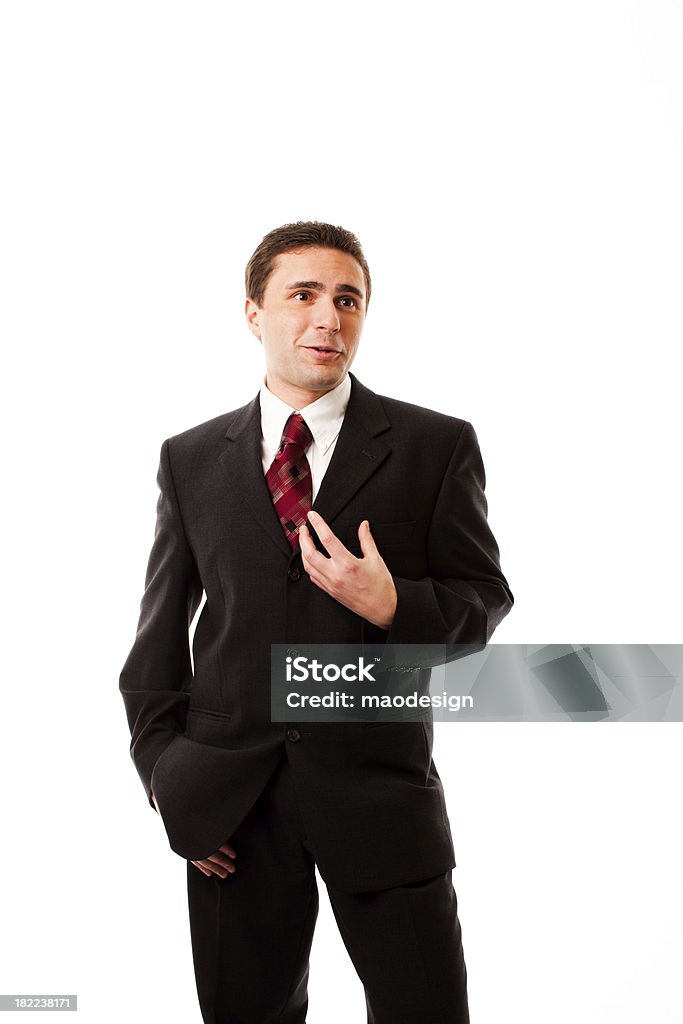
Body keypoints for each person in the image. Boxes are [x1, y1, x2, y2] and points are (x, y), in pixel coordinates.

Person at [119, 221, 513, 1023]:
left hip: (381, 798)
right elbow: (156, 642)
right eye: (302, 295)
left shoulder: (435, 446)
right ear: (253, 313)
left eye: (347, 300)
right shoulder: (189, 458)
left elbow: (482, 600)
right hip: (231, 813)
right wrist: (170, 782)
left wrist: (392, 603)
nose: (327, 318)